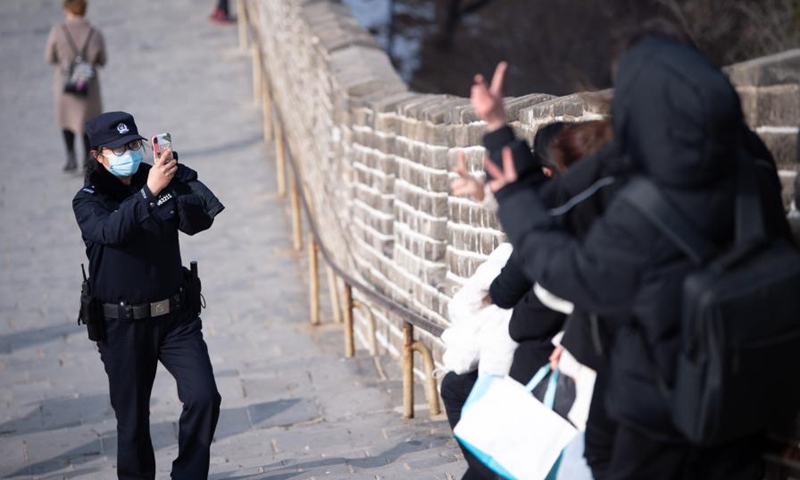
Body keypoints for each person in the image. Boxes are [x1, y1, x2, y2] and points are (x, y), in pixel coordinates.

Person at [475, 35, 791, 480]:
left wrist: (500, 145)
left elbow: (564, 255)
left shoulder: (639, 176)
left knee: (607, 458)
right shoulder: (752, 158)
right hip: (743, 377)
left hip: (655, 395)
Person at [443, 120, 613, 480]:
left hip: (558, 367)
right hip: (577, 356)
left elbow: (521, 292)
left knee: (462, 395)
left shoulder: (571, 226)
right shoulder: (610, 208)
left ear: (550, 171)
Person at [72, 111, 222, 480]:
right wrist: (149, 193)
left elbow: (200, 221)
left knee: (204, 396)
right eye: (118, 147)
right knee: (133, 421)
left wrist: (179, 181)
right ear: (98, 155)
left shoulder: (157, 177)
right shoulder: (88, 200)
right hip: (122, 325)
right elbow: (111, 231)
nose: (128, 152)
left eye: (133, 144)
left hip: (175, 317)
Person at [45, 0, 107, 172]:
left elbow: (49, 58)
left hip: (65, 86)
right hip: (88, 87)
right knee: (87, 124)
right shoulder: (95, 33)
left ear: (67, 10)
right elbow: (103, 61)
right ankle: (87, 160)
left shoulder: (58, 31)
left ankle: (70, 156)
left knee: (66, 121)